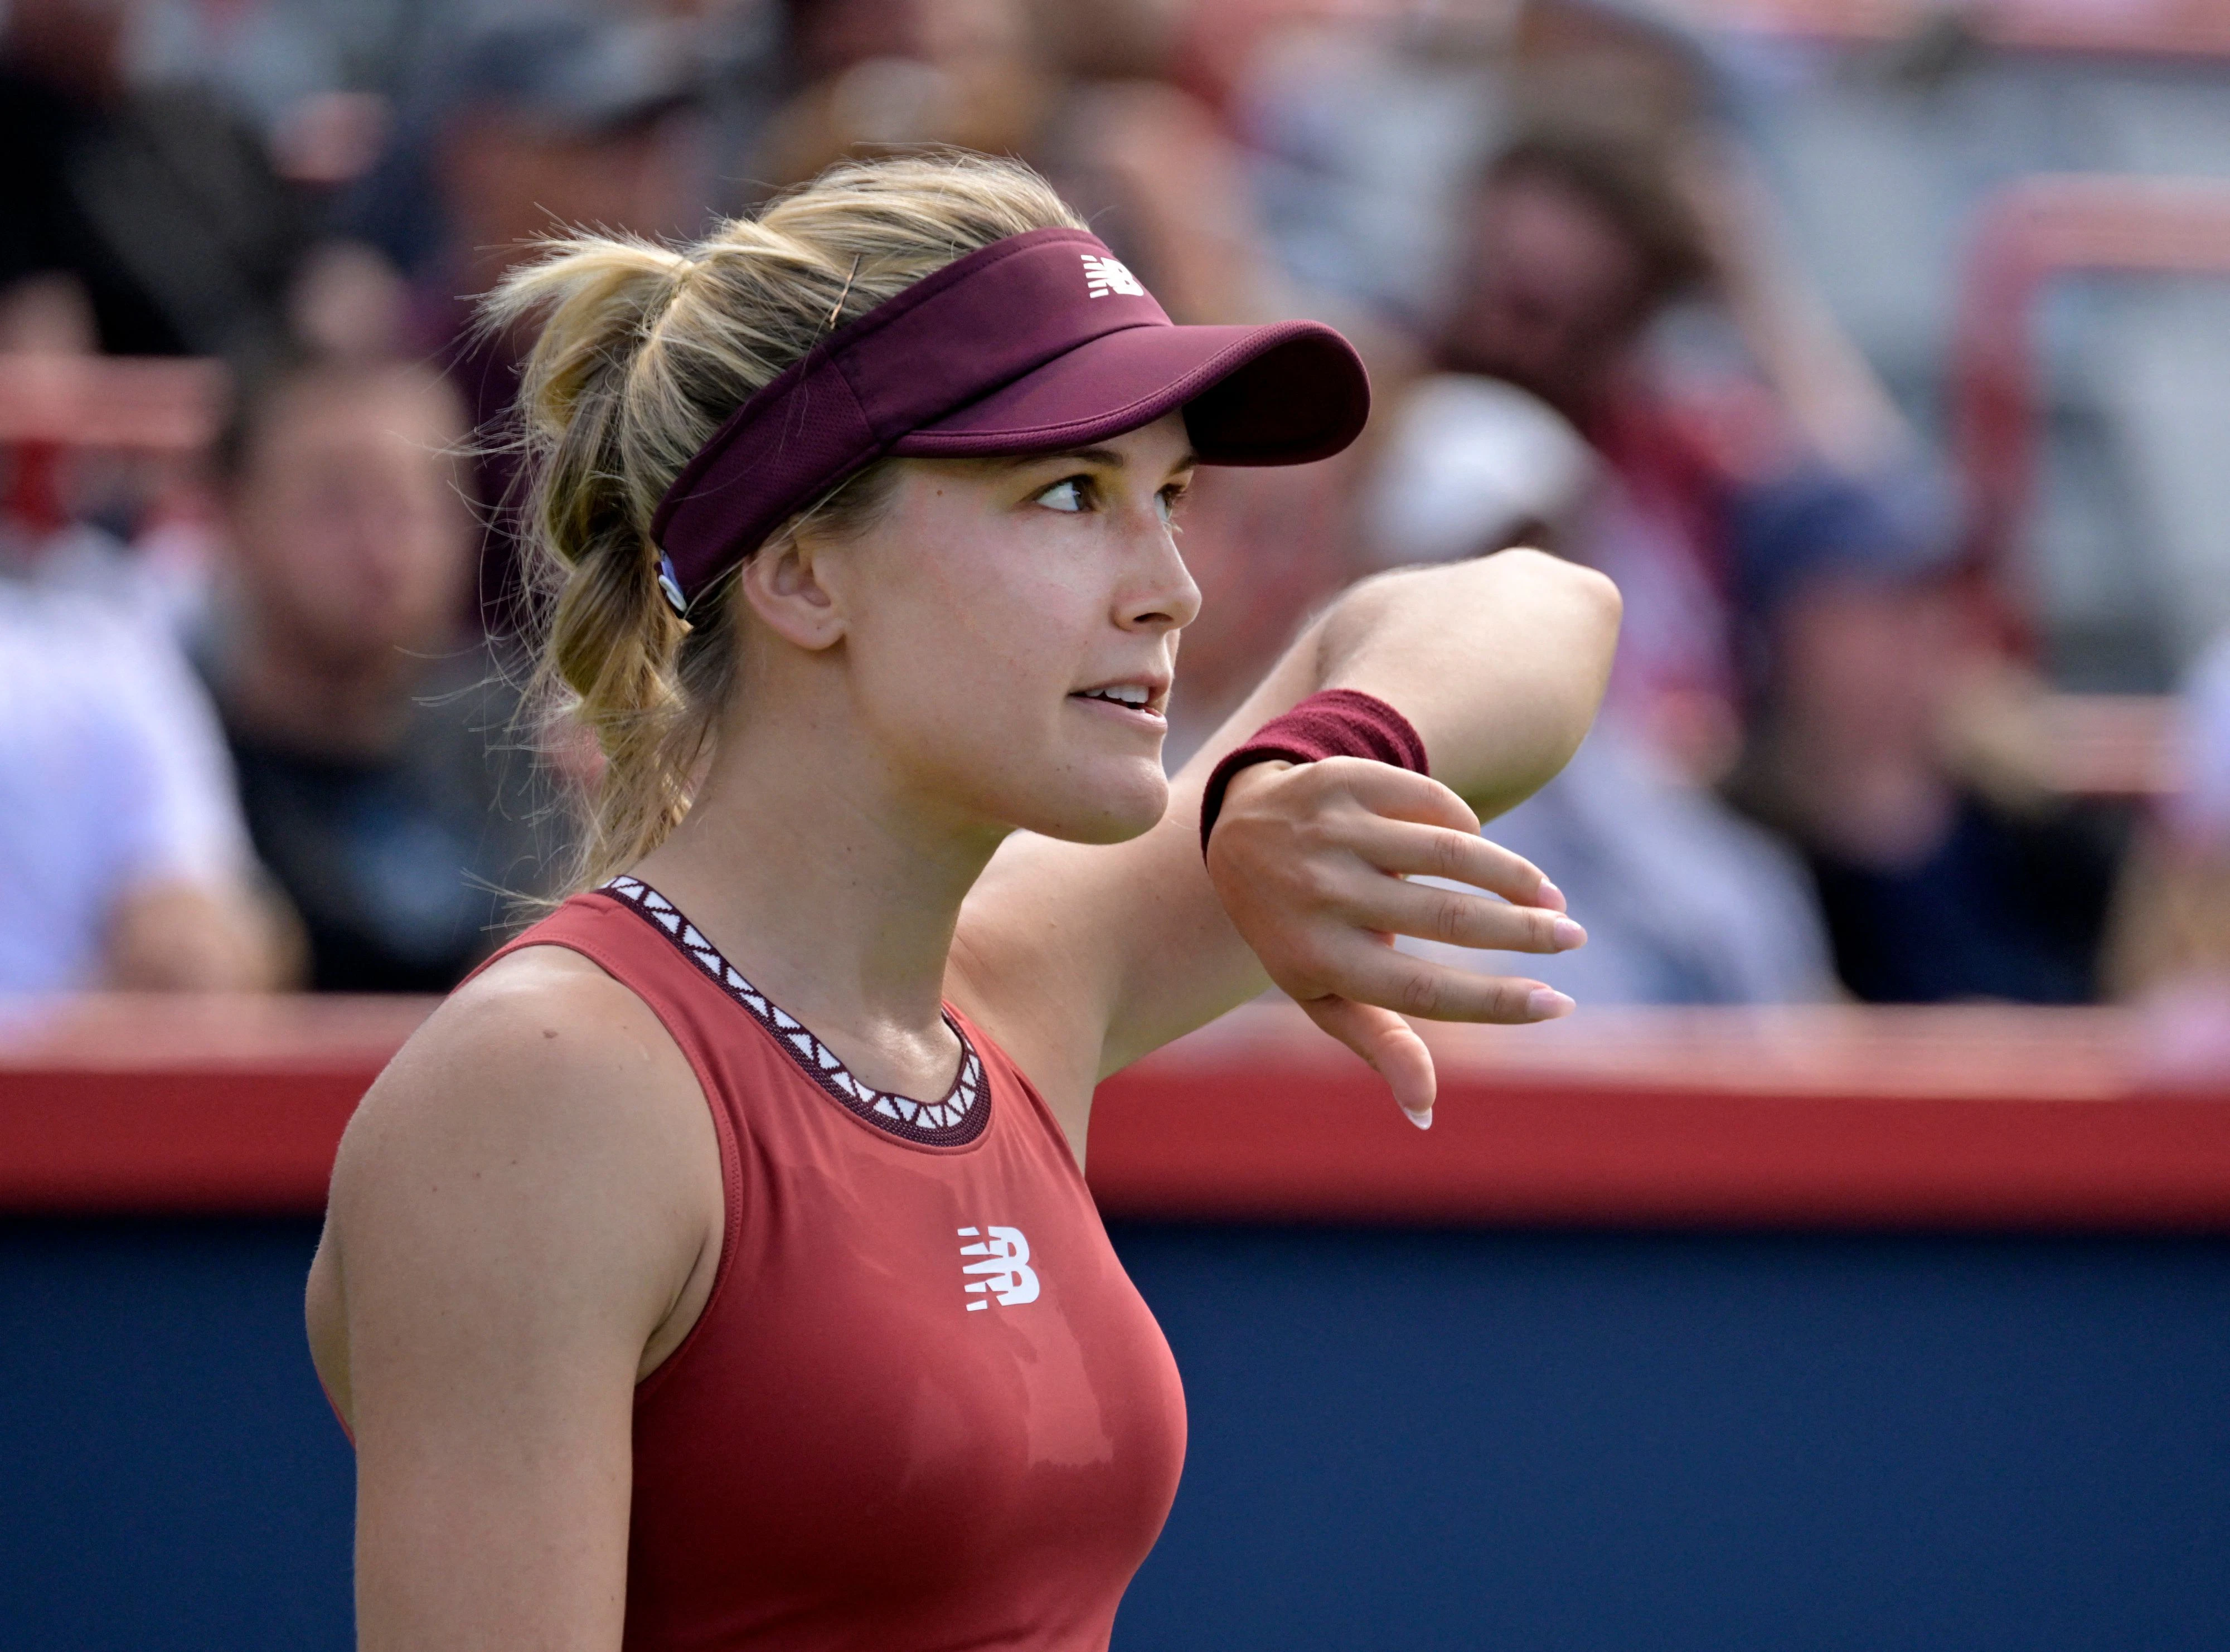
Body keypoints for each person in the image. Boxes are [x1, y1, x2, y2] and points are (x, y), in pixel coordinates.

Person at [304, 153, 1619, 1646]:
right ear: (801, 576)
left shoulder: (1007, 981)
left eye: (1171, 493)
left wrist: (1306, 764)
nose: (1171, 583)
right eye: (1070, 493)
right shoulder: (550, 1092)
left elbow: (1543, 605)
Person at [198, 353, 562, 992]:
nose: (383, 548)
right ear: (230, 513)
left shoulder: (529, 741)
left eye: (421, 501)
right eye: (335, 503)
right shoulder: (170, 760)